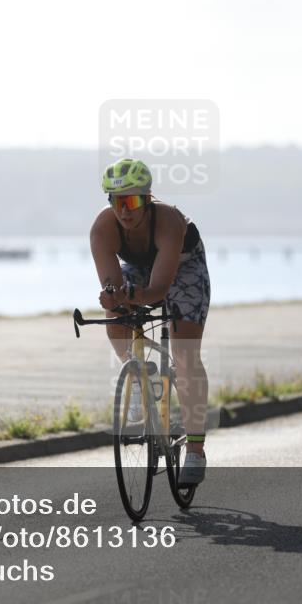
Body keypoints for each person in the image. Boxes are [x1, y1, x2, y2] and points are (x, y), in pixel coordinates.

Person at [89, 157, 211, 485]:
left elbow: (158, 290)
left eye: (131, 201)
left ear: (147, 198)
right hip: (140, 267)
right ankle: (136, 375)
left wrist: (134, 296)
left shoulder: (169, 220)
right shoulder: (102, 229)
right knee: (114, 316)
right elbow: (113, 286)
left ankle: (195, 451)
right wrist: (114, 299)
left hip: (183, 266)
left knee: (185, 354)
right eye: (116, 202)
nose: (124, 211)